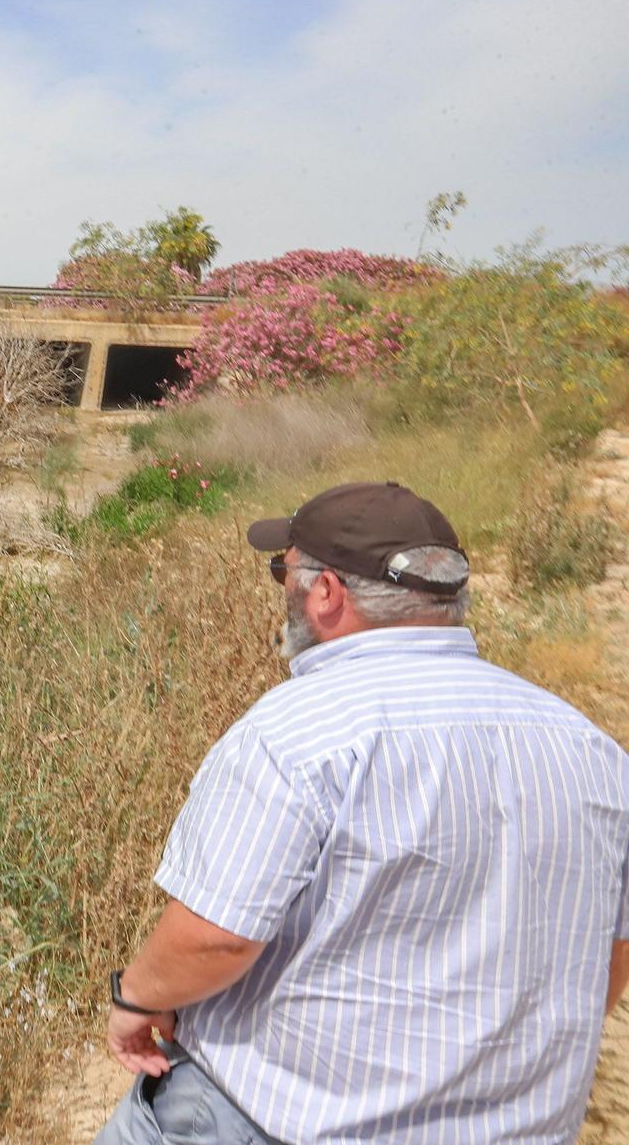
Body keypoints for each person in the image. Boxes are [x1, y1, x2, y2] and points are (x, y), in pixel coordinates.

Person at [94, 480, 629, 1144]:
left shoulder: (298, 731)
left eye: (280, 569)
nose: (280, 587)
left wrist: (135, 997)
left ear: (326, 593)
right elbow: (606, 952)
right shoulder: (590, 748)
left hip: (275, 1119)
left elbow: (217, 936)